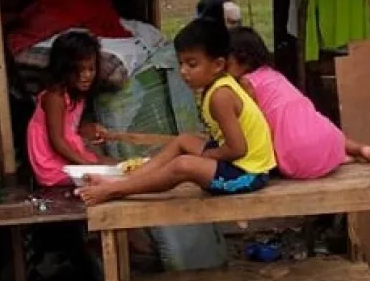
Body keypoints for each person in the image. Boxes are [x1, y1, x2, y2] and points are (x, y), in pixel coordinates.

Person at [77, 18, 276, 205]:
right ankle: (123, 180)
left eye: (192, 64)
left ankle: (115, 190)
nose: (183, 71)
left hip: (248, 174)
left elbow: (237, 149)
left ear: (218, 65)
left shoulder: (220, 96)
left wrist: (203, 158)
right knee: (183, 140)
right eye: (181, 63)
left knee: (183, 165)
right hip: (240, 164)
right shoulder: (214, 87)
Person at [227, 27, 370, 178]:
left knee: (281, 144)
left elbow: (256, 125)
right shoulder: (272, 74)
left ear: (242, 58)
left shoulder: (246, 83)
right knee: (330, 134)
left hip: (297, 151)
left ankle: (330, 159)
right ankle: (361, 149)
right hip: (325, 137)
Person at [26, 31, 114, 186]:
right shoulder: (55, 97)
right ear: (64, 69)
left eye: (91, 69)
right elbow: (57, 141)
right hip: (52, 166)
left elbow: (70, 126)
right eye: (79, 70)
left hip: (69, 158)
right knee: (108, 177)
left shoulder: (77, 94)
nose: (86, 75)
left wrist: (90, 128)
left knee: (115, 164)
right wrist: (85, 165)